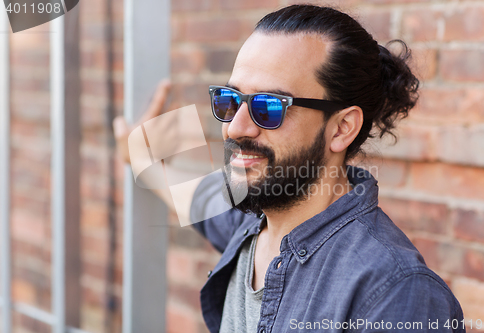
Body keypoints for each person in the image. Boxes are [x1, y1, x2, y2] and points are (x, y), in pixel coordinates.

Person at [114, 4, 465, 333]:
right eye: (230, 100)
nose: (235, 127)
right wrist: (140, 156)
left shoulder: (397, 291)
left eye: (268, 107)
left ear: (342, 128)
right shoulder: (253, 222)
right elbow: (199, 200)